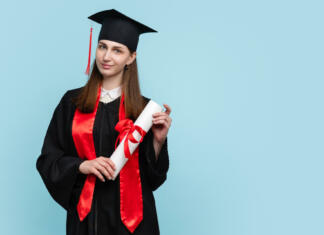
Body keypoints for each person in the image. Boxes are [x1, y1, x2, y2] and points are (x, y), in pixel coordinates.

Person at [36, 9, 172, 235]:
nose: (106, 57)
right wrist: (82, 165)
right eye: (102, 46)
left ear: (131, 57)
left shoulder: (145, 112)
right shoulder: (72, 102)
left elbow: (153, 180)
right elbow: (48, 160)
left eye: (117, 50)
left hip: (135, 225)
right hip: (86, 219)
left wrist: (158, 142)